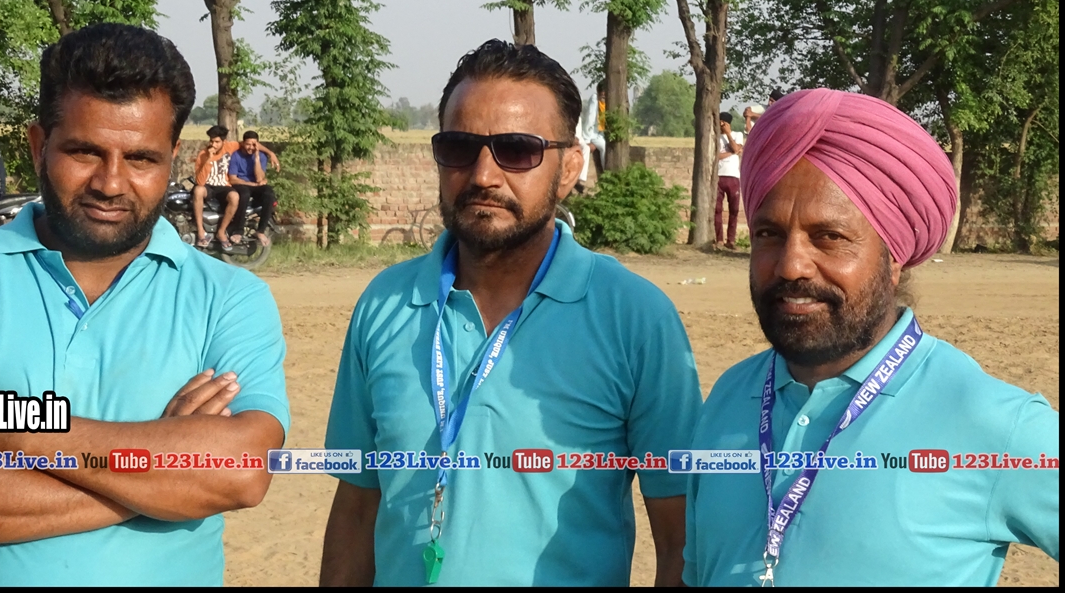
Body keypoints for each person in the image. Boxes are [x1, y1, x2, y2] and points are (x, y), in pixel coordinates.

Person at [0, 23, 290, 586]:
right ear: (38, 146)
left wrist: (11, 427)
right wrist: (159, 475)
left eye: (141, 158)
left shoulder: (230, 297)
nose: (111, 184)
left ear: (172, 158)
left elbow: (241, 473)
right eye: (85, 151)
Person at [319, 39, 702, 586]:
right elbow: (357, 507)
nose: (483, 175)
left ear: (569, 168)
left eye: (517, 150)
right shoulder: (385, 304)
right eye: (459, 146)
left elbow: (680, 537)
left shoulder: (635, 318)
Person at [683, 88, 1059, 586]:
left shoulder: (991, 422)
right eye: (769, 234)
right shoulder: (730, 397)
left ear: (894, 256)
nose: (791, 265)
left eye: (829, 237)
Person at [226, 130, 280, 251]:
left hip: (256, 185)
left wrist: (256, 158)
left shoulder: (261, 156)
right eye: (248, 144)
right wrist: (250, 183)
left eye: (254, 144)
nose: (251, 147)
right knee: (244, 194)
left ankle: (260, 231)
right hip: (241, 184)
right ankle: (238, 230)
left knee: (269, 193)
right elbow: (233, 179)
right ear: (243, 143)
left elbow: (260, 179)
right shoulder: (236, 156)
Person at [192, 125, 241, 248]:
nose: (213, 145)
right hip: (207, 186)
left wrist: (270, 153)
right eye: (211, 141)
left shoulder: (231, 146)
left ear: (224, 141)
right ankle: (201, 230)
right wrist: (209, 159)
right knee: (198, 190)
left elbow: (248, 143)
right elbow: (200, 181)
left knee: (235, 197)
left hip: (223, 186)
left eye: (217, 142)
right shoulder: (203, 154)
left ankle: (221, 232)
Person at [715, 111, 745, 250]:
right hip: (718, 176)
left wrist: (728, 134)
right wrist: (733, 152)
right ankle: (719, 239)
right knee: (717, 209)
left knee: (734, 209)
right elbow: (715, 156)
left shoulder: (737, 135)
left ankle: (731, 240)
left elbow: (736, 147)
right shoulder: (715, 137)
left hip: (733, 176)